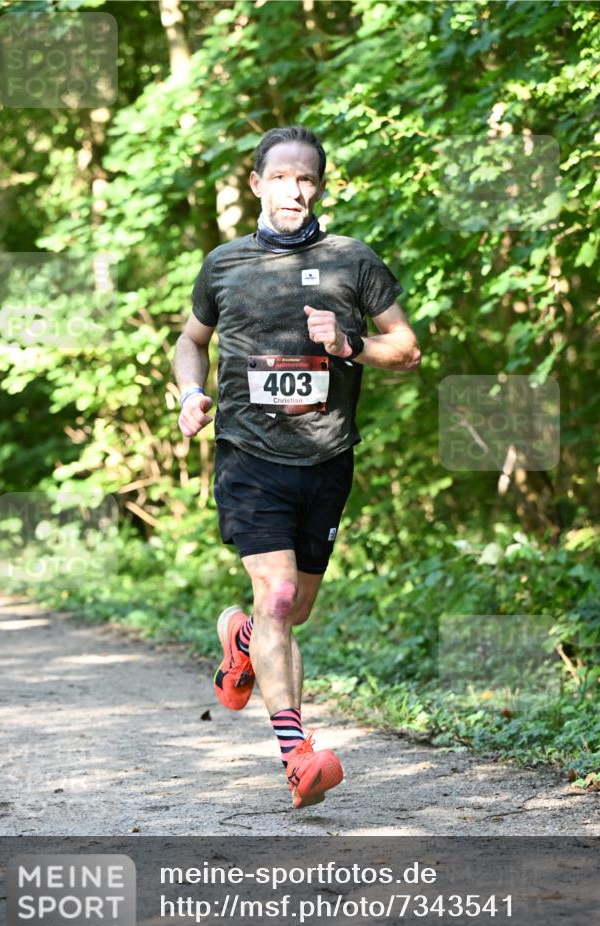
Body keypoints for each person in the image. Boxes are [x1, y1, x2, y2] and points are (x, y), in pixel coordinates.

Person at [174, 124, 420, 809]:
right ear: (257, 184)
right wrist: (191, 394)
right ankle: (297, 757)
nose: (293, 190)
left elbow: (406, 349)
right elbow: (190, 342)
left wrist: (349, 345)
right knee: (278, 595)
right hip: (248, 455)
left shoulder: (352, 261)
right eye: (280, 177)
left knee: (293, 611)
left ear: (319, 186)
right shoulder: (224, 264)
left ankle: (242, 638)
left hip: (326, 457)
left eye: (305, 178)